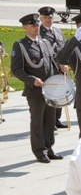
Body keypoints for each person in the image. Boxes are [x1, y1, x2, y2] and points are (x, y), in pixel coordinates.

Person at [11, 13, 59, 163]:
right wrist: (32, 80)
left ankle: (49, 148)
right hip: (35, 91)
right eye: (33, 25)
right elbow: (16, 69)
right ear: (25, 27)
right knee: (38, 122)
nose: (37, 27)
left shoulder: (45, 42)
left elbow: (51, 62)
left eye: (38, 24)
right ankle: (39, 152)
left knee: (50, 121)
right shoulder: (20, 45)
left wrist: (61, 68)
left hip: (50, 89)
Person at [38, 6, 68, 129]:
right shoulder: (39, 32)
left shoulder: (57, 31)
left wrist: (66, 63)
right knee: (50, 95)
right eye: (45, 17)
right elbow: (46, 53)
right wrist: (58, 65)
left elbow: (64, 48)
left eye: (50, 17)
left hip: (61, 68)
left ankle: (56, 119)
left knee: (60, 93)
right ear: (40, 18)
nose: (48, 20)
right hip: (49, 68)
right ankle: (49, 121)